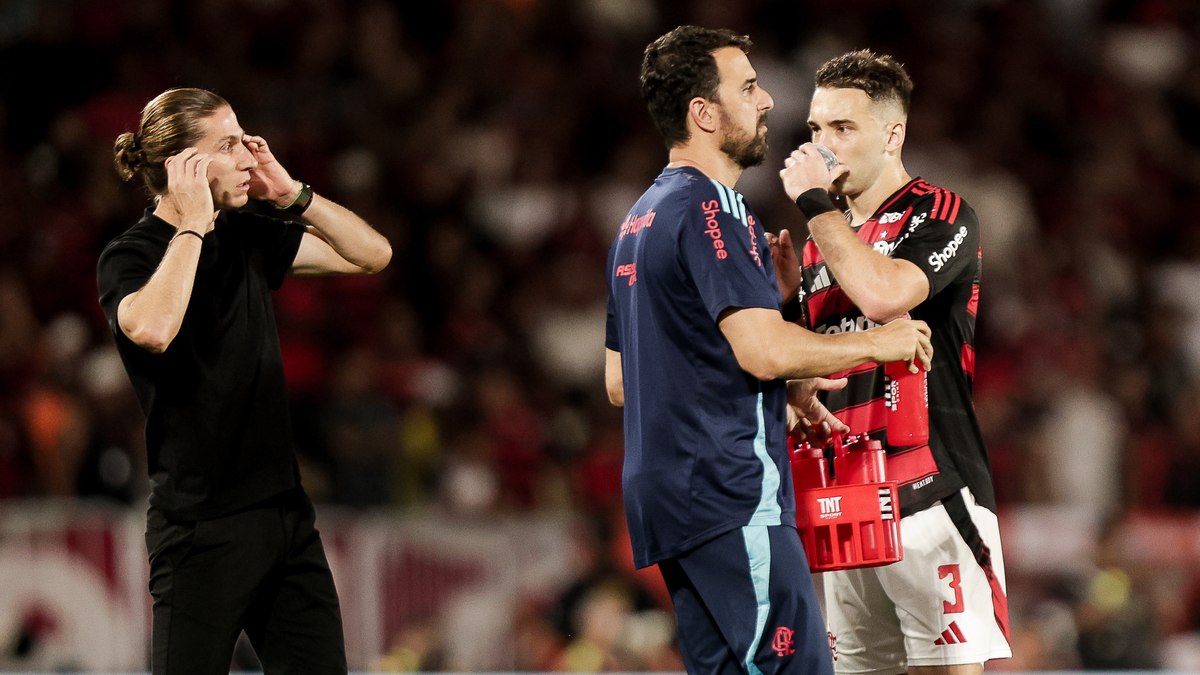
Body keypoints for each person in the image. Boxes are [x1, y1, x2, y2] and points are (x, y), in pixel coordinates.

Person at [605, 27, 934, 675]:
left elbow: (622, 378)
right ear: (704, 113)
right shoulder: (714, 209)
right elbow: (759, 350)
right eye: (748, 88)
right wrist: (882, 340)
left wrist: (776, 386)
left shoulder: (638, 218)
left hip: (669, 501)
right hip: (729, 489)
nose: (766, 103)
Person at [98, 87, 392, 674]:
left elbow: (371, 255)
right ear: (183, 165)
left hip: (285, 519)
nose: (248, 158)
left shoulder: (246, 233)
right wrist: (191, 223)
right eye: (228, 145)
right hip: (199, 532)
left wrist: (293, 196)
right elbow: (154, 328)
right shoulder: (128, 256)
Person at [774, 50, 1012, 674]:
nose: (823, 147)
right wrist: (786, 310)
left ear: (893, 133)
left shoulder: (940, 211)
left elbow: (884, 296)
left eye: (843, 129)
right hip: (850, 505)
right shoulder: (821, 243)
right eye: (815, 130)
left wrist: (816, 208)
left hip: (933, 492)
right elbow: (816, 366)